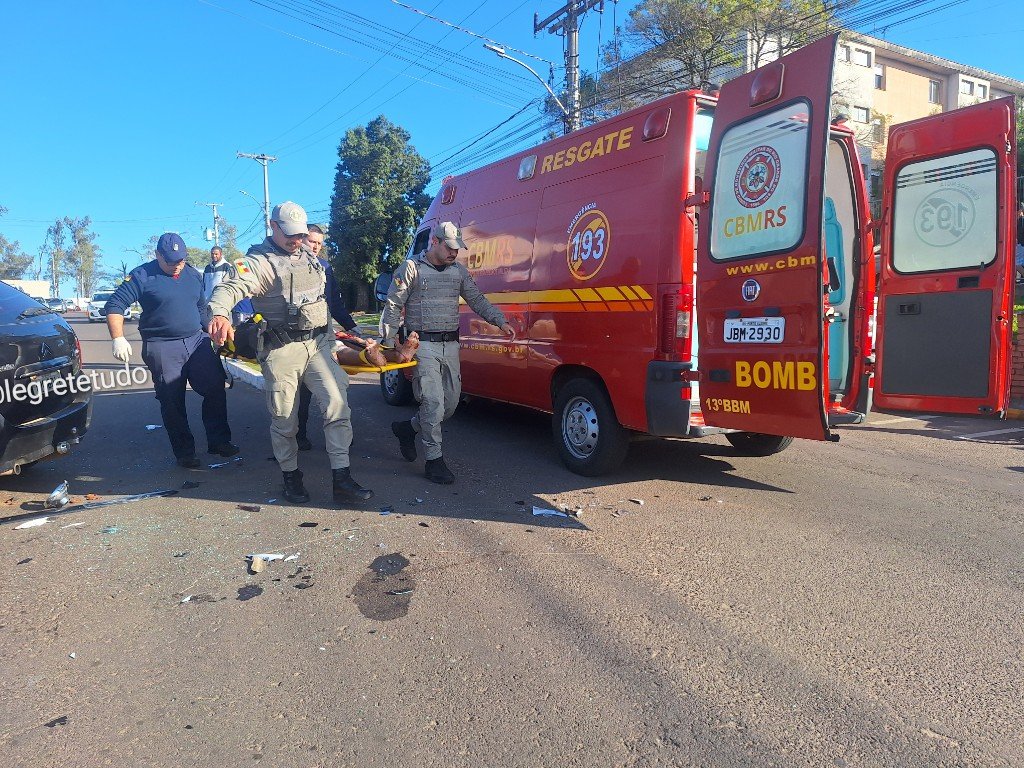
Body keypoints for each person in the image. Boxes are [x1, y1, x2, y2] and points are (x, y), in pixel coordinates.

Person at [207, 201, 373, 505]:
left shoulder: (309, 256)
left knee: (337, 404)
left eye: (300, 235)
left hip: (319, 345)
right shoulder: (259, 262)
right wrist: (219, 313)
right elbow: (230, 287)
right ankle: (291, 476)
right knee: (285, 418)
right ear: (273, 227)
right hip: (281, 348)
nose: (296, 241)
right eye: (290, 235)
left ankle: (342, 479)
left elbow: (323, 302)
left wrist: (332, 341)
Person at [380, 221, 514, 484]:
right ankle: (434, 460)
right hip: (423, 346)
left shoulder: (458, 272)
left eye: (457, 249)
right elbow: (393, 303)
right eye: (450, 248)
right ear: (435, 242)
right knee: (432, 401)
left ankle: (408, 429)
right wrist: (388, 339)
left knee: (449, 405)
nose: (455, 253)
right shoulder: (412, 269)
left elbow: (476, 299)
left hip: (450, 345)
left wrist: (499, 320)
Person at [105, 232, 237, 468]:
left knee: (215, 387)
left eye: (181, 260)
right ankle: (185, 452)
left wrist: (212, 330)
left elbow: (200, 307)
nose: (177, 266)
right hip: (162, 345)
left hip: (196, 340)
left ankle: (219, 441)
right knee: (172, 400)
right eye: (171, 261)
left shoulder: (193, 274)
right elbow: (115, 305)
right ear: (157, 256)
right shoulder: (141, 275)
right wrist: (118, 338)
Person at [295, 223, 359, 451]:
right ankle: (297, 435)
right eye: (312, 241)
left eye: (320, 243)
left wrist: (352, 326)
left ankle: (341, 437)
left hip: (323, 337)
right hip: (296, 339)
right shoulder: (290, 265)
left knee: (333, 386)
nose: (316, 247)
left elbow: (334, 302)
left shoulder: (325, 267)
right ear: (301, 239)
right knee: (298, 393)